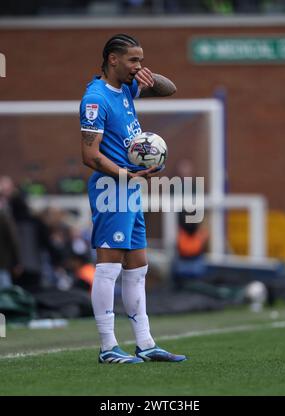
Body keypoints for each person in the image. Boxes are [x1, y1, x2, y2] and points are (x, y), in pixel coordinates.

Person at [80, 34, 186, 364]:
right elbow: (89, 155)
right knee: (108, 266)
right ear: (113, 59)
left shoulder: (127, 88)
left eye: (140, 59)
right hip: (112, 188)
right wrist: (126, 176)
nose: (137, 65)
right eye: (133, 60)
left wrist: (149, 77)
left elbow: (170, 90)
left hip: (130, 187)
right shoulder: (95, 99)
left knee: (138, 267)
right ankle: (108, 346)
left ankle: (146, 343)